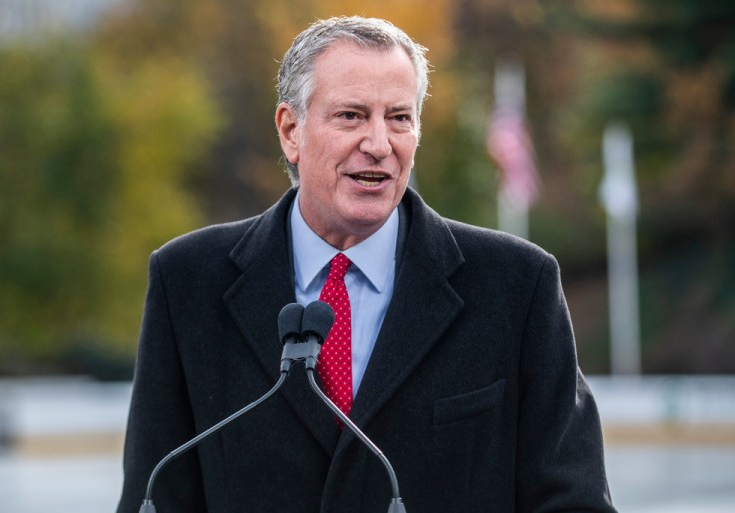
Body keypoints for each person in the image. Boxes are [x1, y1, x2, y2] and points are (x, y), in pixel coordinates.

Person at [116, 16, 617, 513]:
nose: (379, 144)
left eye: (399, 118)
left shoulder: (516, 285)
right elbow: (154, 497)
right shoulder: (187, 281)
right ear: (291, 130)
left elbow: (573, 500)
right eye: (352, 116)